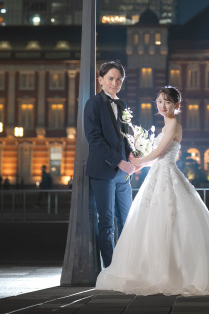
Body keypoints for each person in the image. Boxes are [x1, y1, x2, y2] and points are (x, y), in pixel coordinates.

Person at [96, 86, 209, 296]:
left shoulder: (174, 124)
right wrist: (140, 165)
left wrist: (137, 161)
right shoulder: (166, 126)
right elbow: (159, 157)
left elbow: (159, 152)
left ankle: (175, 271)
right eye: (160, 101)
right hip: (159, 173)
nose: (163, 106)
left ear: (176, 105)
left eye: (167, 102)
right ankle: (156, 267)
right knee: (156, 220)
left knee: (172, 220)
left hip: (167, 174)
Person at [85, 60, 138, 269]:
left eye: (119, 80)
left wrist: (131, 152)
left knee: (127, 220)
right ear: (100, 80)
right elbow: (94, 139)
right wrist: (119, 161)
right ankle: (110, 269)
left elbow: (125, 136)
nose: (115, 83)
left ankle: (125, 266)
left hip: (123, 175)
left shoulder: (122, 105)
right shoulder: (93, 104)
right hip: (102, 171)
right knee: (107, 223)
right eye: (110, 79)